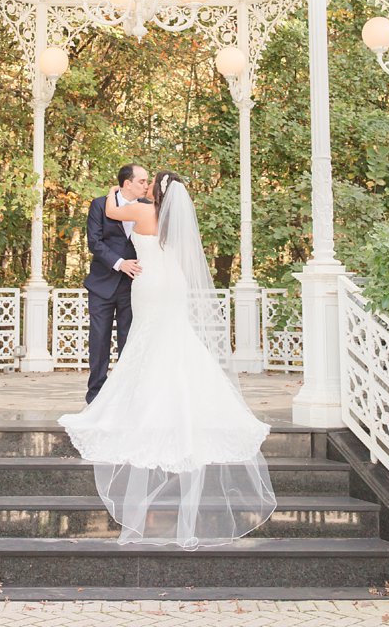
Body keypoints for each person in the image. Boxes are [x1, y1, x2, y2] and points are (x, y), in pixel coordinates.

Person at [59, 170, 276, 549]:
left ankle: (137, 401)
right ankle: (184, 398)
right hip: (171, 283)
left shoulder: (142, 212)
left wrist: (114, 190)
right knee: (174, 339)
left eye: (149, 182)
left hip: (149, 284)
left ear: (154, 190)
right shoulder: (175, 219)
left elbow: (112, 211)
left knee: (146, 340)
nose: (144, 186)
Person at [82, 163, 147, 404]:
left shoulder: (148, 207)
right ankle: (95, 395)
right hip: (102, 283)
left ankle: (127, 394)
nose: (146, 186)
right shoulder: (100, 204)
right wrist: (120, 263)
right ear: (127, 183)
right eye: (141, 181)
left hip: (135, 284)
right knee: (99, 338)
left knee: (129, 338)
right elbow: (94, 242)